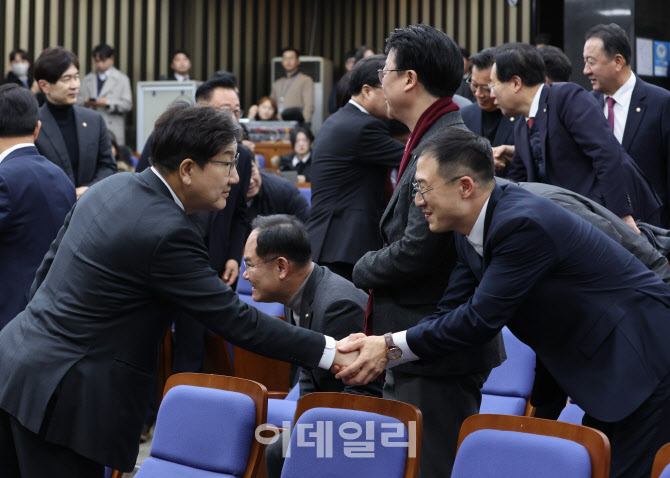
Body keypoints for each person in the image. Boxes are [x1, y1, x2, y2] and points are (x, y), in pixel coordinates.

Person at [0, 103, 355, 477]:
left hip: (15, 365)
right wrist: (331, 352)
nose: (235, 178)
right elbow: (236, 320)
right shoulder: (168, 232)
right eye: (227, 162)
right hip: (66, 402)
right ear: (187, 169)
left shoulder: (111, 186)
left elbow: (45, 271)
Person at [337, 126, 670, 478]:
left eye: (422, 188)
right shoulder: (469, 230)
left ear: (465, 186)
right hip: (601, 370)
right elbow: (451, 312)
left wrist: (388, 347)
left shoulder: (521, 223)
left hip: (644, 359)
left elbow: (479, 320)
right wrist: (380, 347)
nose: (417, 201)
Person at [351, 24, 505, 478]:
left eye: (386, 70)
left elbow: (419, 249)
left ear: (410, 79)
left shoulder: (444, 143)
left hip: (436, 344)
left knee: (430, 466)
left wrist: (360, 267)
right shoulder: (431, 132)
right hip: (419, 338)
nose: (381, 79)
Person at [241, 215, 382, 478]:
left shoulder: (336, 306)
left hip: (358, 418)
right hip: (325, 406)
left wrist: (308, 430)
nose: (245, 274)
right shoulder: (296, 292)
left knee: (280, 449)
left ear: (282, 267)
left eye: (249, 264)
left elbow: (361, 393)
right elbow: (308, 368)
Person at [491, 42, 661, 229]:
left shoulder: (565, 97)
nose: (491, 94)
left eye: (493, 84)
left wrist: (623, 216)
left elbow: (606, 153)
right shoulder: (521, 127)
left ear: (516, 83)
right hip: (572, 226)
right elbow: (519, 182)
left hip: (612, 219)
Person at [307, 55, 404, 282]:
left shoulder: (340, 119)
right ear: (367, 91)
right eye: (387, 88)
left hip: (329, 241)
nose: (392, 96)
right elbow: (414, 157)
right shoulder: (363, 127)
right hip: (344, 245)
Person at [0, 84, 75, 330]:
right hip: (55, 312)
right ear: (37, 129)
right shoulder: (61, 177)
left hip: (9, 317)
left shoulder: (4, 178)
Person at [584, 23, 670, 227]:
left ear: (618, 61)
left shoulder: (661, 102)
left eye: (591, 62)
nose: (586, 70)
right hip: (600, 227)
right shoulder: (586, 106)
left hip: (651, 229)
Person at [34, 47, 116, 198]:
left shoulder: (94, 120)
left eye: (76, 77)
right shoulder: (33, 124)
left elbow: (108, 166)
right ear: (44, 85)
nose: (75, 85)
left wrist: (90, 189)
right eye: (66, 79)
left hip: (90, 209)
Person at [460, 47, 520, 175]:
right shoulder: (463, 115)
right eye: (475, 85)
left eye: (487, 88)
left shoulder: (521, 116)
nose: (479, 94)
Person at [78, 44, 133, 146]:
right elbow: (77, 101)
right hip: (90, 126)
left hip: (113, 127)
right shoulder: (87, 79)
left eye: (103, 61)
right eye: (97, 61)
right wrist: (86, 102)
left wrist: (107, 103)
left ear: (111, 59)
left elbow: (127, 105)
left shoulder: (122, 79)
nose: (99, 65)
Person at [247, 158, 310, 225]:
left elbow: (308, 224)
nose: (250, 181)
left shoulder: (284, 190)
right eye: (243, 175)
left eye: (252, 172)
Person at [270, 47, 314, 123]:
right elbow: (271, 104)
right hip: (277, 123)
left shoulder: (306, 80)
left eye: (291, 58)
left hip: (296, 123)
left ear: (298, 61)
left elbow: (309, 106)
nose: (288, 61)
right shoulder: (277, 83)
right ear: (282, 62)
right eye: (285, 58)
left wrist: (305, 123)